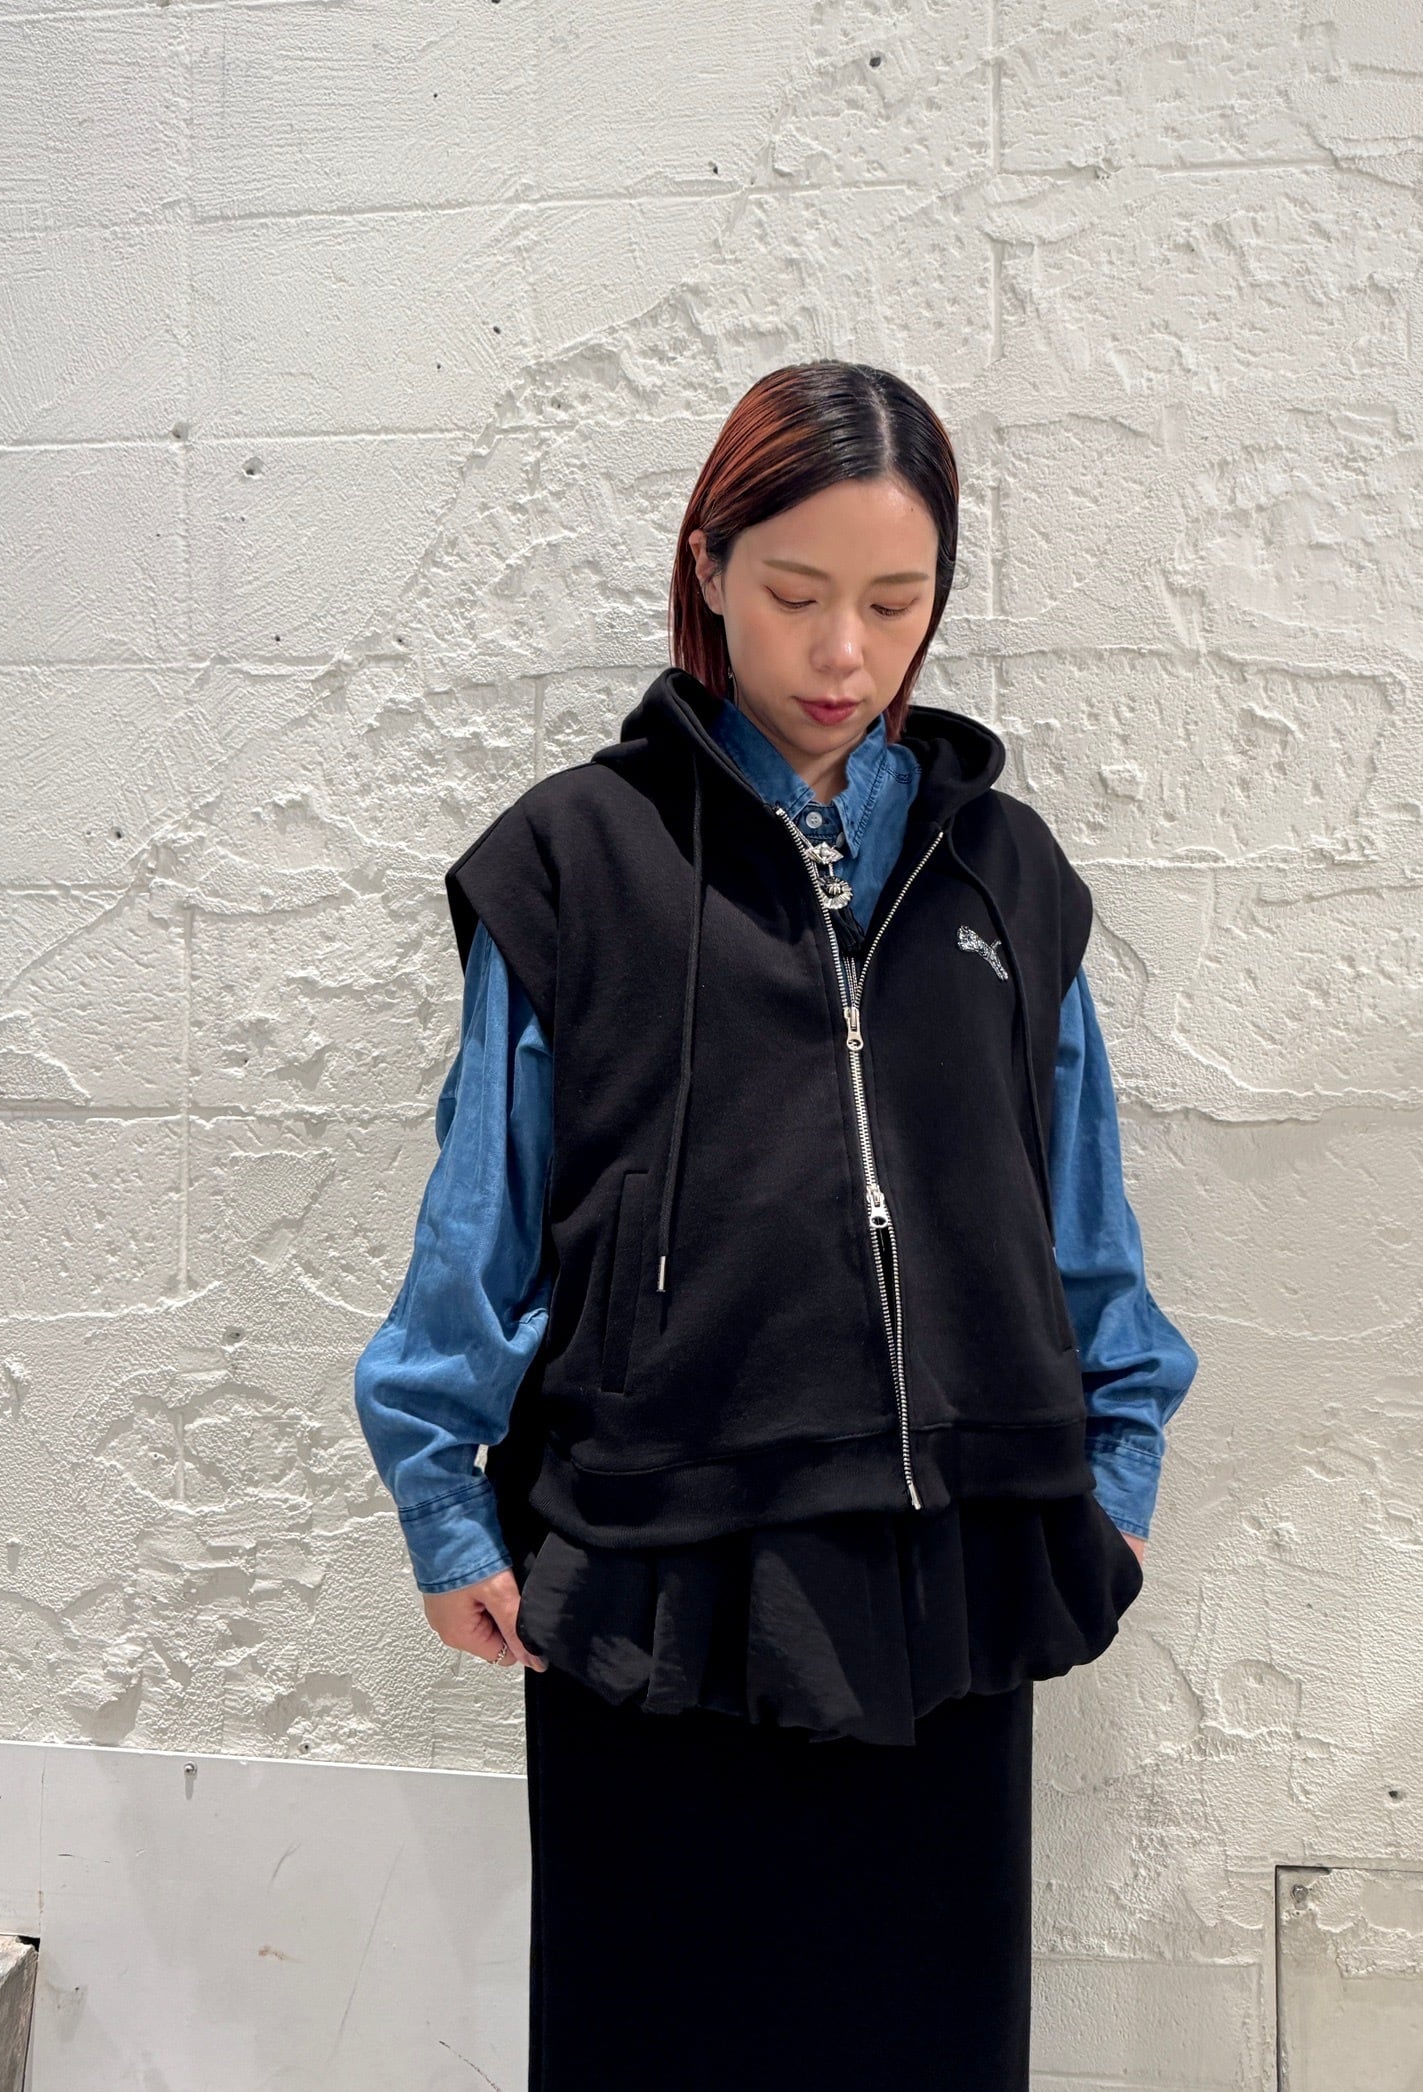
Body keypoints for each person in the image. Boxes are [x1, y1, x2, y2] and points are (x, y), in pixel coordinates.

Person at [354, 360, 1200, 2092]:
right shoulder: (572, 861)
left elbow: (1077, 1204)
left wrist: (1116, 1466)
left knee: (921, 2044)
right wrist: (439, 1498)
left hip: (953, 1553)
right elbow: (481, 1207)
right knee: (660, 2038)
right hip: (659, 1558)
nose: (842, 654)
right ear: (710, 567)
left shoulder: (1004, 872)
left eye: (893, 603)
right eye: (797, 593)